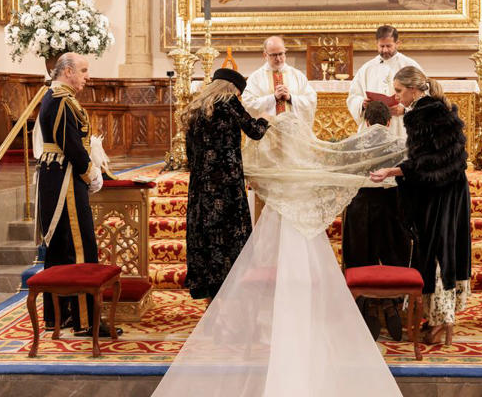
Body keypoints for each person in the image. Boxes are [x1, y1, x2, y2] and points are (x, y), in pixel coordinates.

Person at [151, 111, 406, 397]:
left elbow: (251, 177)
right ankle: (306, 342)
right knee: (306, 288)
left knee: (282, 287)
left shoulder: (270, 171)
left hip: (279, 237)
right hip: (307, 239)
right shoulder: (306, 168)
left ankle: (279, 339)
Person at [370, 65, 471, 346]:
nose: (396, 96)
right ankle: (438, 317)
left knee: (438, 251)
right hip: (449, 188)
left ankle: (441, 320)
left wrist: (391, 172)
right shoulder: (430, 109)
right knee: (441, 248)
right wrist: (406, 113)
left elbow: (426, 163)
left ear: (414, 89)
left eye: (400, 91)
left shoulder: (424, 115)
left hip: (442, 193)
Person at [36, 52, 119, 337]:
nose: (87, 76)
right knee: (79, 247)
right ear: (68, 71)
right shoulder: (60, 100)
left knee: (63, 246)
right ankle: (84, 320)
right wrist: (90, 172)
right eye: (83, 70)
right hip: (66, 181)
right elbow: (70, 144)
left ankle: (60, 316)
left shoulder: (60, 97)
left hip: (61, 176)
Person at [183, 68, 269, 301]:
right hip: (226, 185)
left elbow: (189, 155)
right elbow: (255, 132)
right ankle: (230, 295)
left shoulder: (195, 108)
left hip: (201, 185)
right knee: (228, 237)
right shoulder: (229, 103)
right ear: (232, 89)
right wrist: (265, 119)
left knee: (207, 236)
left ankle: (211, 298)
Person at [343, 100, 409, 341]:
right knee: (392, 256)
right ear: (390, 122)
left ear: (366, 122)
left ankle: (368, 306)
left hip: (361, 208)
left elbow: (342, 170)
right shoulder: (400, 143)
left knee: (361, 256)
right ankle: (391, 303)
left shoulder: (354, 143)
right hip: (392, 208)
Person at [347, 25, 423, 138]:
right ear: (376, 44)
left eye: (389, 46)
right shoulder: (367, 68)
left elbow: (424, 96)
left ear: (398, 43)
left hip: (401, 124)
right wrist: (362, 104)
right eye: (381, 46)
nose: (385, 50)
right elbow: (353, 96)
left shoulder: (409, 65)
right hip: (374, 126)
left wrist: (405, 110)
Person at [242, 35, 317, 125]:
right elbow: (248, 104)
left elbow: (311, 100)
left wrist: (291, 98)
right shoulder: (255, 78)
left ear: (285, 52)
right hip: (267, 132)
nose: (278, 59)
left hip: (293, 130)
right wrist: (273, 98)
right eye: (273, 55)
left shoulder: (297, 75)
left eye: (281, 53)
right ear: (265, 55)